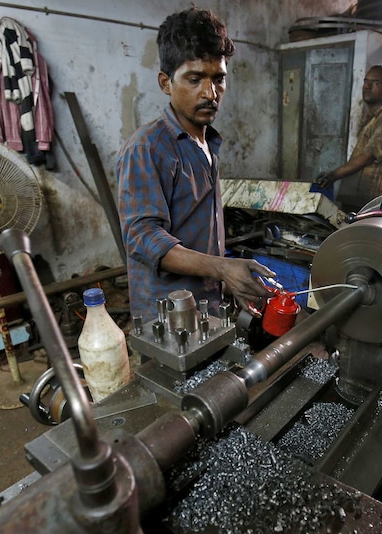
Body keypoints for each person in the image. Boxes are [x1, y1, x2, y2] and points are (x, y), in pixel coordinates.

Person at [116, 7, 275, 323]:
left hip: (207, 304)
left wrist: (224, 278)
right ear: (166, 82)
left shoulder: (208, 144)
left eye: (219, 79)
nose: (210, 93)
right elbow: (143, 237)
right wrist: (221, 267)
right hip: (167, 317)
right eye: (195, 78)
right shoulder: (149, 148)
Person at [314, 64, 382, 212]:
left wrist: (333, 175)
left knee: (363, 235)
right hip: (355, 197)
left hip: (372, 200)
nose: (367, 87)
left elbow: (368, 157)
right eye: (366, 81)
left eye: (375, 83)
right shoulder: (372, 118)